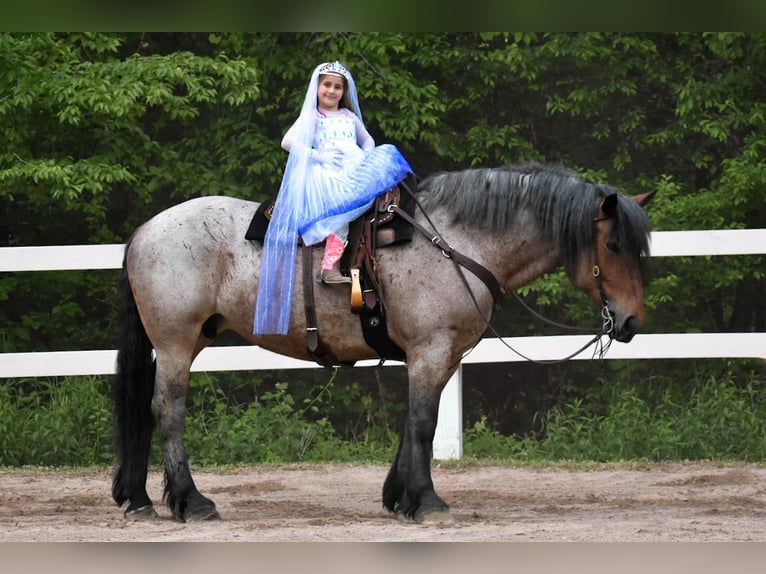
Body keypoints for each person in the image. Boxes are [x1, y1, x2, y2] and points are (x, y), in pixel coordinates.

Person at [253, 60, 412, 336]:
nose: (332, 90)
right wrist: (318, 155)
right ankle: (330, 266)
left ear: (343, 91)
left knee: (387, 155)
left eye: (337, 87)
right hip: (326, 172)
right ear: (317, 87)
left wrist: (364, 156)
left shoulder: (349, 117)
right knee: (340, 211)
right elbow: (288, 141)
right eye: (327, 85)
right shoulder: (313, 116)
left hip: (352, 170)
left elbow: (368, 141)